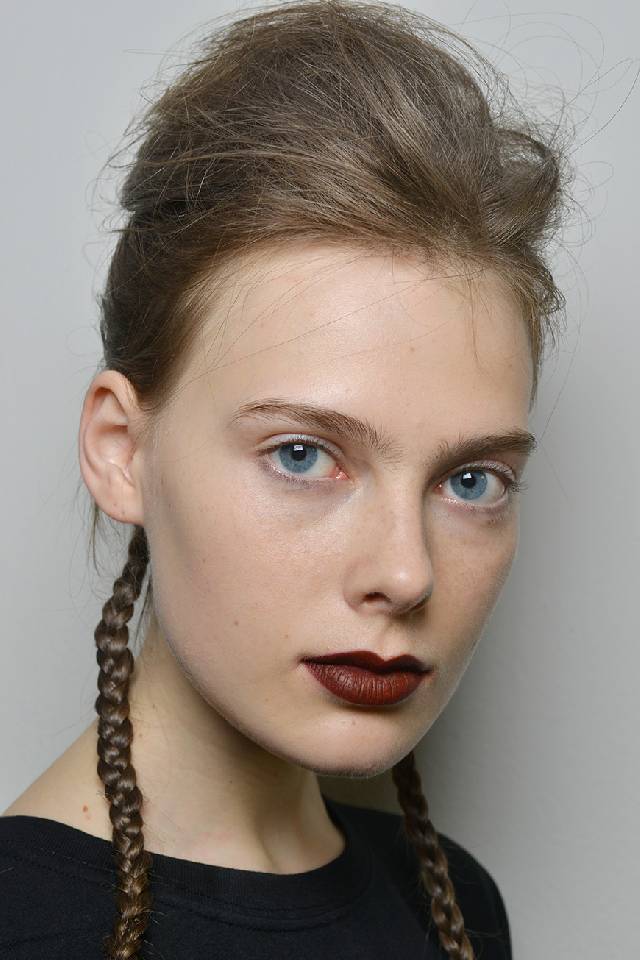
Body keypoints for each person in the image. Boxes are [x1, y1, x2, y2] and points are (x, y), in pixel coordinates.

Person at [0, 1, 572, 957]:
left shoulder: (457, 909)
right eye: (302, 455)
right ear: (120, 450)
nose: (406, 573)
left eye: (471, 480)